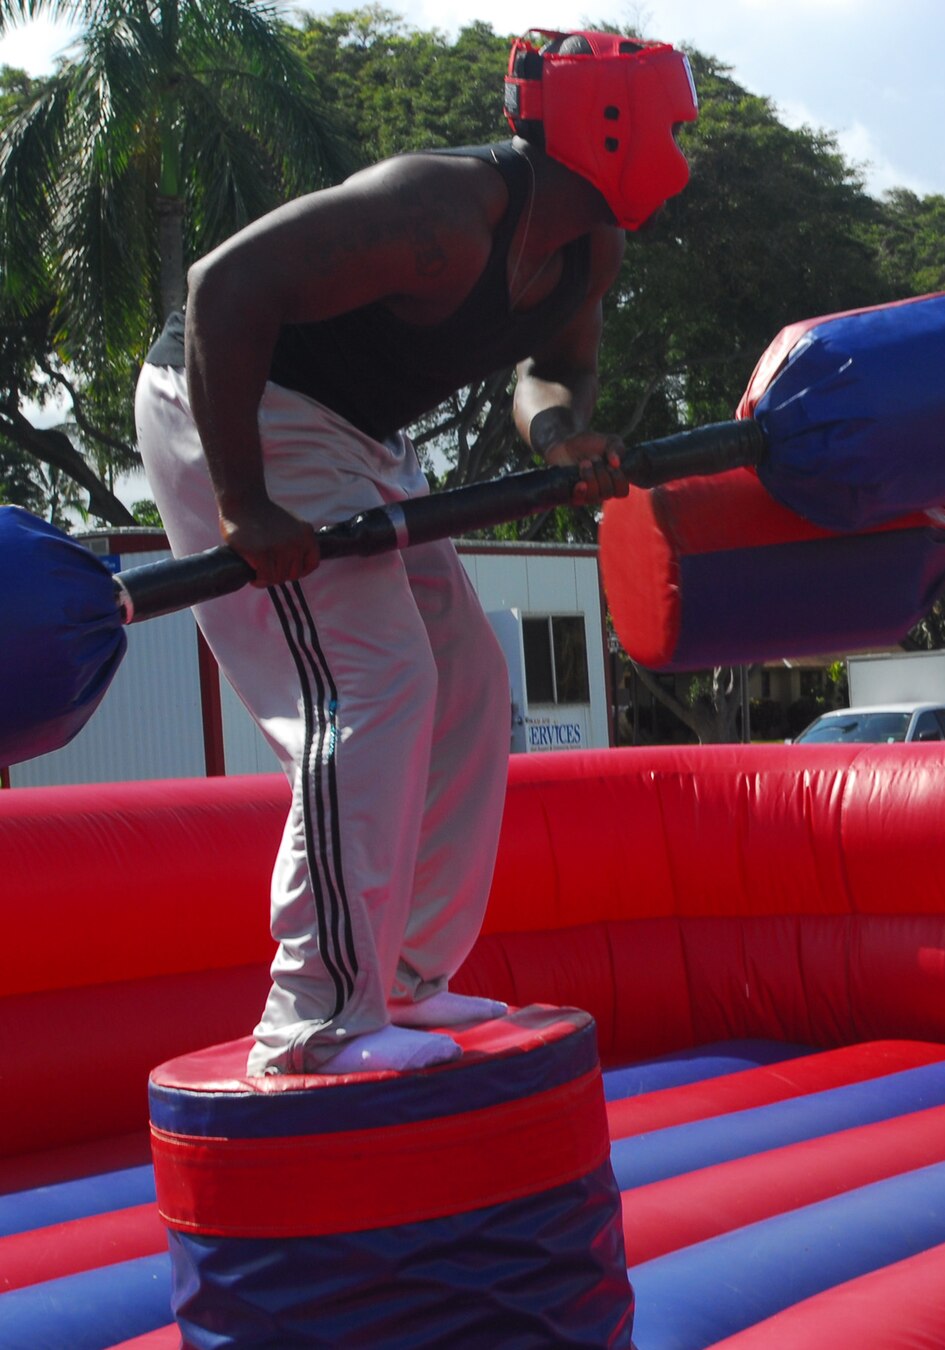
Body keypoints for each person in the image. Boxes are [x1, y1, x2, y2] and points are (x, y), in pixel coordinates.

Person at [134, 30, 699, 1075]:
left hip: (361, 438)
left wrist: (559, 435)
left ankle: (401, 979)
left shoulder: (587, 249)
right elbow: (221, 289)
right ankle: (313, 1019)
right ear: (607, 125)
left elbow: (551, 374)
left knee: (470, 677)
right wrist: (243, 502)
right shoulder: (439, 212)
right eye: (670, 126)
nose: (681, 149)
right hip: (240, 408)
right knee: (374, 681)